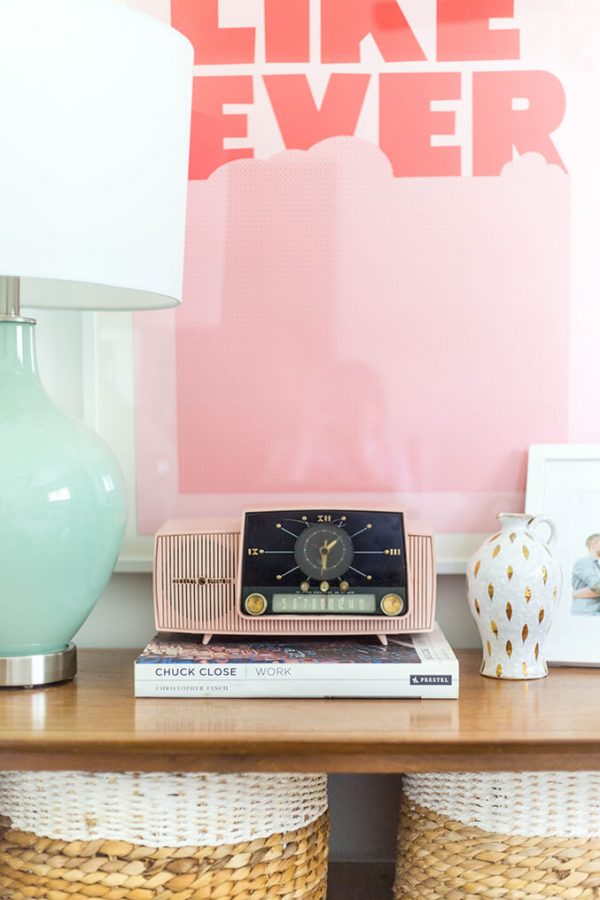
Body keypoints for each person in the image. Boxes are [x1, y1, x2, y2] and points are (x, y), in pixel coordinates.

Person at [571, 534, 600, 615]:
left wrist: (576, 593)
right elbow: (597, 585)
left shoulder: (597, 566)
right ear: (594, 543)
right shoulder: (583, 563)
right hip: (587, 614)